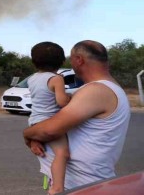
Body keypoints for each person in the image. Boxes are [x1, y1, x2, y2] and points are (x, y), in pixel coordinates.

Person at [23, 40, 131, 191]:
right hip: (79, 184)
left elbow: (49, 130)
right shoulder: (95, 90)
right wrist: (36, 136)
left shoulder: (96, 91)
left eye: (71, 59)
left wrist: (28, 134)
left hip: (81, 186)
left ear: (79, 60)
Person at [26, 42, 71, 195]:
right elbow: (61, 102)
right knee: (62, 154)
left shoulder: (31, 79)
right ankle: (57, 188)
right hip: (49, 123)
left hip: (35, 121)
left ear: (34, 61)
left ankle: (36, 140)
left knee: (44, 145)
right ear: (61, 61)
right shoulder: (56, 78)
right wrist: (70, 96)